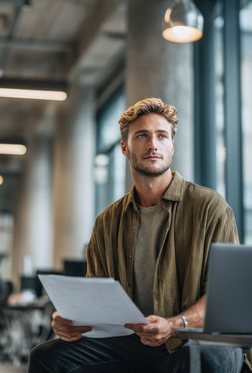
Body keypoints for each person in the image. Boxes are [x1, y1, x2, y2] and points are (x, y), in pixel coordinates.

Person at [28, 97, 244, 373]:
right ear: (124, 148)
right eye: (142, 136)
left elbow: (222, 296)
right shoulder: (108, 221)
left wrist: (174, 324)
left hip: (193, 337)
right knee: (46, 356)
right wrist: (67, 319)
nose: (153, 144)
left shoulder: (209, 207)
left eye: (162, 136)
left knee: (209, 360)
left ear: (171, 146)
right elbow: (95, 296)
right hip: (133, 340)